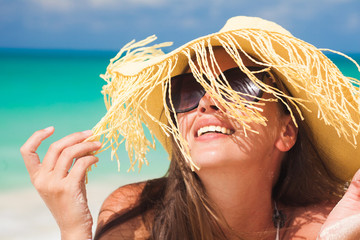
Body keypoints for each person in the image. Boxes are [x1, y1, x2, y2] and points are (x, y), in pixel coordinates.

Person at [21, 16, 360, 240]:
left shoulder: (328, 227)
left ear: (286, 132)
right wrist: (74, 229)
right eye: (189, 89)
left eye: (237, 85)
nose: (206, 102)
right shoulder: (135, 217)